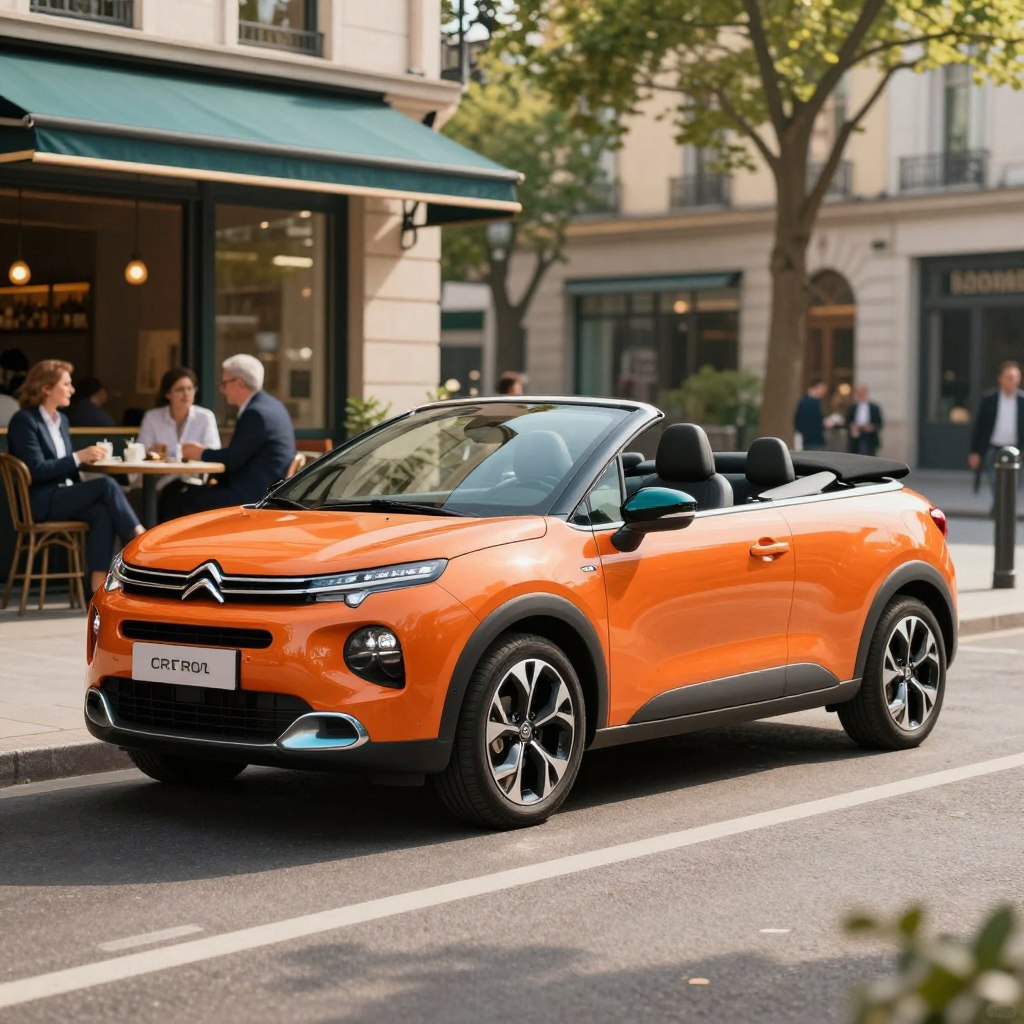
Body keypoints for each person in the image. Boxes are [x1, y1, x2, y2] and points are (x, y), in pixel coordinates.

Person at [6, 360, 144, 595]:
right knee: (105, 485)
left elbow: (65, 467)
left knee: (102, 511)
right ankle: (139, 537)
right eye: (66, 384)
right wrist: (78, 456)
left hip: (63, 495)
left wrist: (86, 461)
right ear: (46, 389)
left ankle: (96, 589)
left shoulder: (63, 421)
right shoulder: (24, 421)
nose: (72, 389)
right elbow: (37, 470)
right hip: (41, 502)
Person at [172, 353, 295, 516]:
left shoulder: (255, 413)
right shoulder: (272, 405)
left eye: (224, 383)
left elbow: (232, 460)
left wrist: (200, 453)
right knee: (175, 490)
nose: (223, 390)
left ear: (239, 383)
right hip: (264, 489)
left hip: (252, 497)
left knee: (176, 496)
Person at [136, 367, 221, 521]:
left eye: (190, 388)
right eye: (180, 389)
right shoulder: (152, 418)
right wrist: (153, 454)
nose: (186, 394)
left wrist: (198, 452)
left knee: (178, 496)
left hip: (194, 482)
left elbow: (214, 452)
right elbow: (140, 452)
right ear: (168, 394)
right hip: (159, 482)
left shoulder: (205, 417)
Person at [969, 360, 1024, 494]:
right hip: (993, 451)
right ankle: (1000, 511)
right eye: (1009, 377)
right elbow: (979, 427)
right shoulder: (989, 400)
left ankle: (1000, 512)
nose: (1012, 381)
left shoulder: (1022, 401)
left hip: (1016, 451)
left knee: (1011, 488)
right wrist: (974, 451)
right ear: (1000, 379)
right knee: (997, 487)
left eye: (1015, 377)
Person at [845, 383, 884, 455]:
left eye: (862, 391)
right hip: (855, 439)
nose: (860, 394)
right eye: (858, 392)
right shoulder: (852, 407)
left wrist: (871, 427)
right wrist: (853, 427)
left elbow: (880, 424)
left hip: (869, 439)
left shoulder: (874, 408)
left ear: (866, 392)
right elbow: (847, 422)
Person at [794, 377, 828, 451]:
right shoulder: (813, 403)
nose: (824, 392)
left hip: (807, 440)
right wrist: (824, 423)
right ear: (817, 387)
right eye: (823, 389)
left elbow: (797, 422)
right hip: (814, 441)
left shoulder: (803, 402)